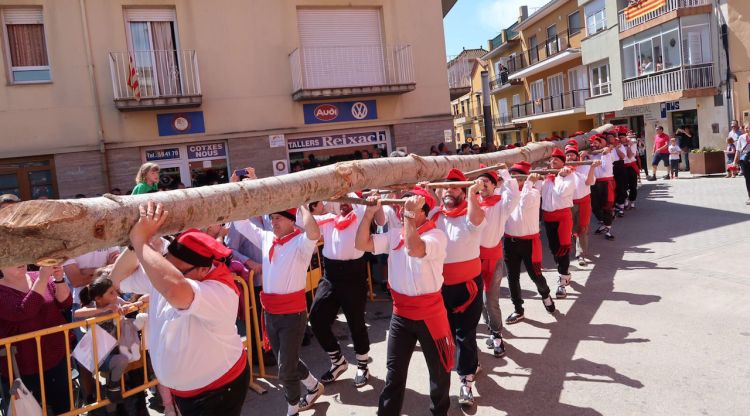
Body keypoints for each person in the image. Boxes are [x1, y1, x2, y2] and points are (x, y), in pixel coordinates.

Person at [111, 205, 249, 416]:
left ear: (203, 270)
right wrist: (137, 243)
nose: (169, 273)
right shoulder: (168, 272)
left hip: (219, 391)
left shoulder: (221, 292)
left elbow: (175, 289)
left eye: (179, 272)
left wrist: (141, 241)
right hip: (186, 394)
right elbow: (115, 280)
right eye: (167, 265)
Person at [354, 189, 453, 416]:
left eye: (408, 208)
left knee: (439, 375)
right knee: (393, 375)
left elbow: (414, 248)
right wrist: (368, 215)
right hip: (401, 316)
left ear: (423, 211)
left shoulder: (436, 235)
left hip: (430, 315)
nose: (401, 211)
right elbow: (362, 244)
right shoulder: (395, 234)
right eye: (401, 207)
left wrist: (407, 217)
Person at [234, 205, 324, 416]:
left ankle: (292, 407)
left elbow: (314, 232)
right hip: (271, 314)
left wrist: (302, 205)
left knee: (285, 367)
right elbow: (240, 224)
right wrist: (243, 190)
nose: (273, 222)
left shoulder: (300, 243)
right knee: (288, 361)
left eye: (279, 219)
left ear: (292, 221)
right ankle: (313, 385)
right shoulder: (266, 238)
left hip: (293, 314)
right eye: (272, 218)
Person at [309, 196, 384, 387]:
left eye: (347, 199)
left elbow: (380, 220)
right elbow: (306, 221)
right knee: (316, 318)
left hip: (353, 277)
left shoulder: (360, 216)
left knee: (356, 322)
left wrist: (368, 198)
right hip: (331, 276)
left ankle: (362, 365)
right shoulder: (327, 219)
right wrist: (303, 201)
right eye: (340, 200)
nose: (344, 203)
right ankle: (338, 361)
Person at [428, 168, 484, 407]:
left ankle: (466, 381)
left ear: (463, 190)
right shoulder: (434, 214)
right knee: (449, 334)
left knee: (464, 334)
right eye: (445, 187)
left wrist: (472, 195)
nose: (448, 191)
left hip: (468, 288)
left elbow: (478, 219)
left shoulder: (471, 213)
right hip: (440, 288)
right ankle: (471, 363)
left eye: (454, 187)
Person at [0, 264, 72, 415]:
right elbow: (23, 311)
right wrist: (43, 278)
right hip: (23, 367)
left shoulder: (36, 276)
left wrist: (59, 279)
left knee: (65, 407)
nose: (20, 261)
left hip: (56, 358)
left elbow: (65, 302)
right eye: (13, 259)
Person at [73, 272, 149, 405]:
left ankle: (113, 387)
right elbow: (77, 313)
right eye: (111, 293)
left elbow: (128, 305)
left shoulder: (117, 301)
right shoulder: (92, 306)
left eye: (115, 291)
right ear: (98, 298)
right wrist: (103, 310)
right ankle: (91, 398)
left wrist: (129, 306)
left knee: (122, 361)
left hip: (115, 353)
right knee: (88, 374)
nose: (116, 295)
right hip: (95, 354)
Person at [476, 164, 520, 358]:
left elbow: (514, 194)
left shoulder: (501, 204)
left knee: (491, 299)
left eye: (487, 181)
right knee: (478, 301)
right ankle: (491, 330)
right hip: (472, 259)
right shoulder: (472, 202)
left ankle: (497, 336)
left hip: (493, 258)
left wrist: (504, 172)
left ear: (495, 185)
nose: (483, 184)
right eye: (481, 181)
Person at [503, 161, 555, 324]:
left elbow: (524, 202)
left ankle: (545, 294)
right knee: (512, 277)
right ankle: (518, 309)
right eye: (512, 177)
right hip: (509, 241)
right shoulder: (506, 193)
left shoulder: (532, 192)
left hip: (529, 243)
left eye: (518, 177)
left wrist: (530, 182)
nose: (514, 180)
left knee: (535, 275)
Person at [541, 148, 576, 299]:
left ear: (563, 162)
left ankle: (561, 282)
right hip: (548, 218)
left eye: (556, 160)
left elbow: (562, 192)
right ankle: (565, 272)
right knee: (554, 249)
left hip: (562, 217)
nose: (552, 162)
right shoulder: (546, 178)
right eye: (551, 160)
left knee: (563, 249)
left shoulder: (569, 175)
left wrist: (560, 176)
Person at [566, 145, 600, 267]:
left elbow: (589, 182)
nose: (570, 157)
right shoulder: (563, 169)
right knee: (571, 229)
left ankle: (581, 254)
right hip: (568, 204)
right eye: (568, 155)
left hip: (584, 202)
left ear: (577, 156)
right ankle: (577, 248)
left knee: (583, 228)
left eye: (572, 155)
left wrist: (591, 168)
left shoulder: (585, 166)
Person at [589, 135, 616, 240]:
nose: (593, 145)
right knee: (595, 207)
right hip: (595, 183)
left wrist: (606, 151)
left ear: (600, 144)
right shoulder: (591, 155)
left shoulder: (606, 152)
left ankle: (608, 230)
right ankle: (604, 223)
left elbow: (606, 168)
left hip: (606, 182)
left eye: (595, 143)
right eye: (591, 143)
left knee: (607, 206)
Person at [732, 123, 750, 204]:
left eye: (749, 128)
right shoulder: (741, 138)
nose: (747, 129)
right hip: (744, 161)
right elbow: (738, 151)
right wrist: (735, 162)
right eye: (746, 128)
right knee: (748, 179)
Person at [623, 132, 640, 209]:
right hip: (622, 166)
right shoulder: (618, 144)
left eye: (623, 137)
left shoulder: (632, 143)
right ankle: (625, 200)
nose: (621, 139)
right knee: (623, 186)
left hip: (631, 166)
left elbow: (630, 156)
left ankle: (632, 202)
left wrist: (629, 145)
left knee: (633, 186)